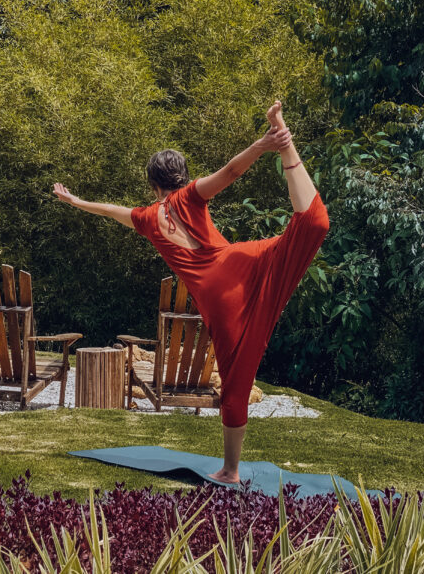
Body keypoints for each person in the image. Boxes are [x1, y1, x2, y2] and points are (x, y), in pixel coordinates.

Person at [53, 101, 329, 483]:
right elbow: (230, 172)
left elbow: (110, 210)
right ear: (182, 178)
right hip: (240, 262)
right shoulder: (191, 196)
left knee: (235, 378)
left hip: (218, 298)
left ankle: (230, 469)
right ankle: (286, 142)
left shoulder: (147, 218)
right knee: (311, 226)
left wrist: (75, 201)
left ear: (153, 185)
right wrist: (264, 145)